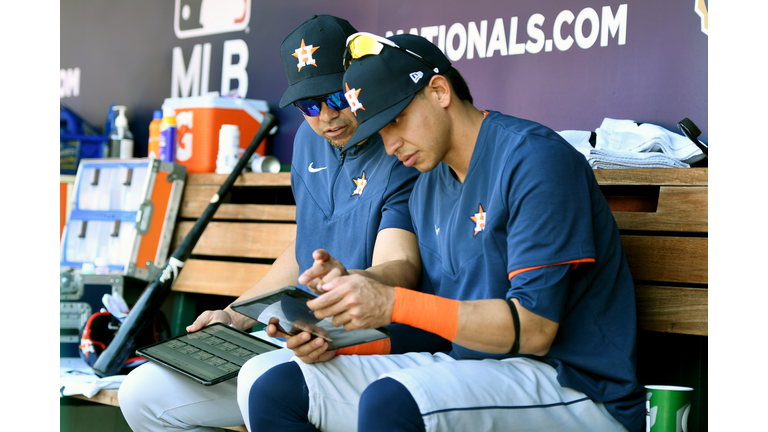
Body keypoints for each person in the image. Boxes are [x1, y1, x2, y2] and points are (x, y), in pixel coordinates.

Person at [246, 33, 645, 432]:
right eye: (379, 130)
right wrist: (336, 335)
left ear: (438, 92)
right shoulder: (426, 185)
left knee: (394, 402)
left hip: (573, 382)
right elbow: (436, 328)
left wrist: (391, 302)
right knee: (278, 389)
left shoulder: (534, 158)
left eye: (396, 119)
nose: (390, 145)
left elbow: (534, 329)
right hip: (472, 366)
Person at [118, 17, 448, 432]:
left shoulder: (399, 145)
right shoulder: (309, 141)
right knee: (141, 393)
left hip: (368, 337)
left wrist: (341, 291)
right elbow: (302, 249)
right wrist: (235, 315)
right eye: (308, 106)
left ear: (360, 84)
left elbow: (399, 264)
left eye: (336, 97)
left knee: (264, 383)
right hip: (302, 333)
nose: (326, 116)